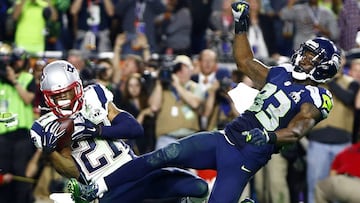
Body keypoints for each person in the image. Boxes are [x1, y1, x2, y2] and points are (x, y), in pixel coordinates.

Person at [68, 1, 341, 202]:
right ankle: (99, 186)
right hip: (225, 138)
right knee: (163, 155)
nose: (303, 58)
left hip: (246, 157)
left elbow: (297, 129)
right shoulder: (280, 71)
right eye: (305, 53)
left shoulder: (318, 96)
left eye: (311, 57)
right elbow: (244, 61)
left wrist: (270, 137)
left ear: (324, 67)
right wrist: (240, 25)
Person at [29, 60, 208, 203]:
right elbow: (73, 172)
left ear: (77, 86)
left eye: (66, 93)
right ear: (47, 97)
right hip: (104, 188)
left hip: (134, 170)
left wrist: (95, 130)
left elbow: (134, 129)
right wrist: (50, 151)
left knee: (198, 187)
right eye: (56, 97)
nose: (63, 101)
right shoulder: (44, 126)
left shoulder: (94, 95)